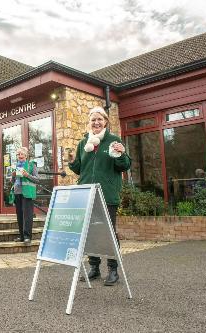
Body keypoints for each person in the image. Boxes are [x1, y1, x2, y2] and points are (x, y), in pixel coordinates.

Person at [68, 106, 131, 286]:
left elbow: (124, 166)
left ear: (105, 121)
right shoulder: (84, 143)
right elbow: (80, 168)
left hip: (107, 194)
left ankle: (113, 270)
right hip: (87, 194)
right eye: (93, 120)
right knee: (90, 232)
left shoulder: (113, 140)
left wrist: (122, 154)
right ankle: (94, 267)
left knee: (109, 233)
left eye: (99, 119)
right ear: (89, 122)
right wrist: (72, 162)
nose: (96, 122)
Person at [11, 147, 39, 245]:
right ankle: (22, 236)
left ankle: (28, 237)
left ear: (26, 155)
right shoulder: (15, 166)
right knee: (20, 215)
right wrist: (13, 176)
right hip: (17, 192)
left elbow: (37, 179)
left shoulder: (32, 165)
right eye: (18, 154)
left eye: (22, 154)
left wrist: (27, 175)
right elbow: (12, 181)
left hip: (27, 193)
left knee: (27, 216)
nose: (20, 156)